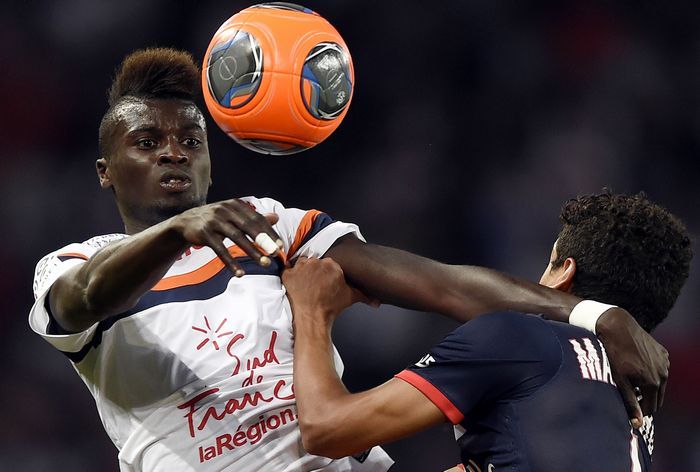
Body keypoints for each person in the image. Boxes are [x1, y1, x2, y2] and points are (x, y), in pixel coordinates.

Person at [28, 47, 665, 471]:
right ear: (105, 172)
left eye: (190, 140)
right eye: (147, 142)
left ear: (209, 162)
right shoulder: (75, 263)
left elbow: (442, 285)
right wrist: (176, 233)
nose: (173, 152)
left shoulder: (269, 224)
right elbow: (80, 300)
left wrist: (590, 312)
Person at [285, 191, 692, 471]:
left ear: (563, 272)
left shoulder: (525, 338)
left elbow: (326, 428)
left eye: (548, 262)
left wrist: (311, 311)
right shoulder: (635, 404)